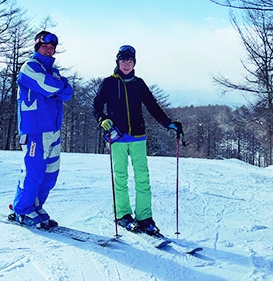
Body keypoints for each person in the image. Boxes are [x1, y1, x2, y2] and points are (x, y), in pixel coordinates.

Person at [93, 44, 183, 235]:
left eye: (130, 61)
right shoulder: (108, 83)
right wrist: (103, 119)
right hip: (117, 137)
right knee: (121, 177)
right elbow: (97, 106)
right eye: (123, 60)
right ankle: (123, 214)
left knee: (143, 178)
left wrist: (168, 123)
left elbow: (152, 105)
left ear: (134, 63)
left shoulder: (139, 83)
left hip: (138, 137)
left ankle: (144, 217)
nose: (126, 64)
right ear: (117, 61)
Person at [10, 30, 73, 229]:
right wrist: (57, 88)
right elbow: (50, 87)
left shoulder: (53, 72)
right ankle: (21, 209)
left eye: (52, 47)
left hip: (52, 130)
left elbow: (68, 92)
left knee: (50, 174)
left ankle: (35, 205)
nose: (49, 49)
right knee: (33, 172)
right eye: (45, 46)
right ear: (37, 47)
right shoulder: (29, 67)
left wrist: (57, 87)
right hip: (35, 129)